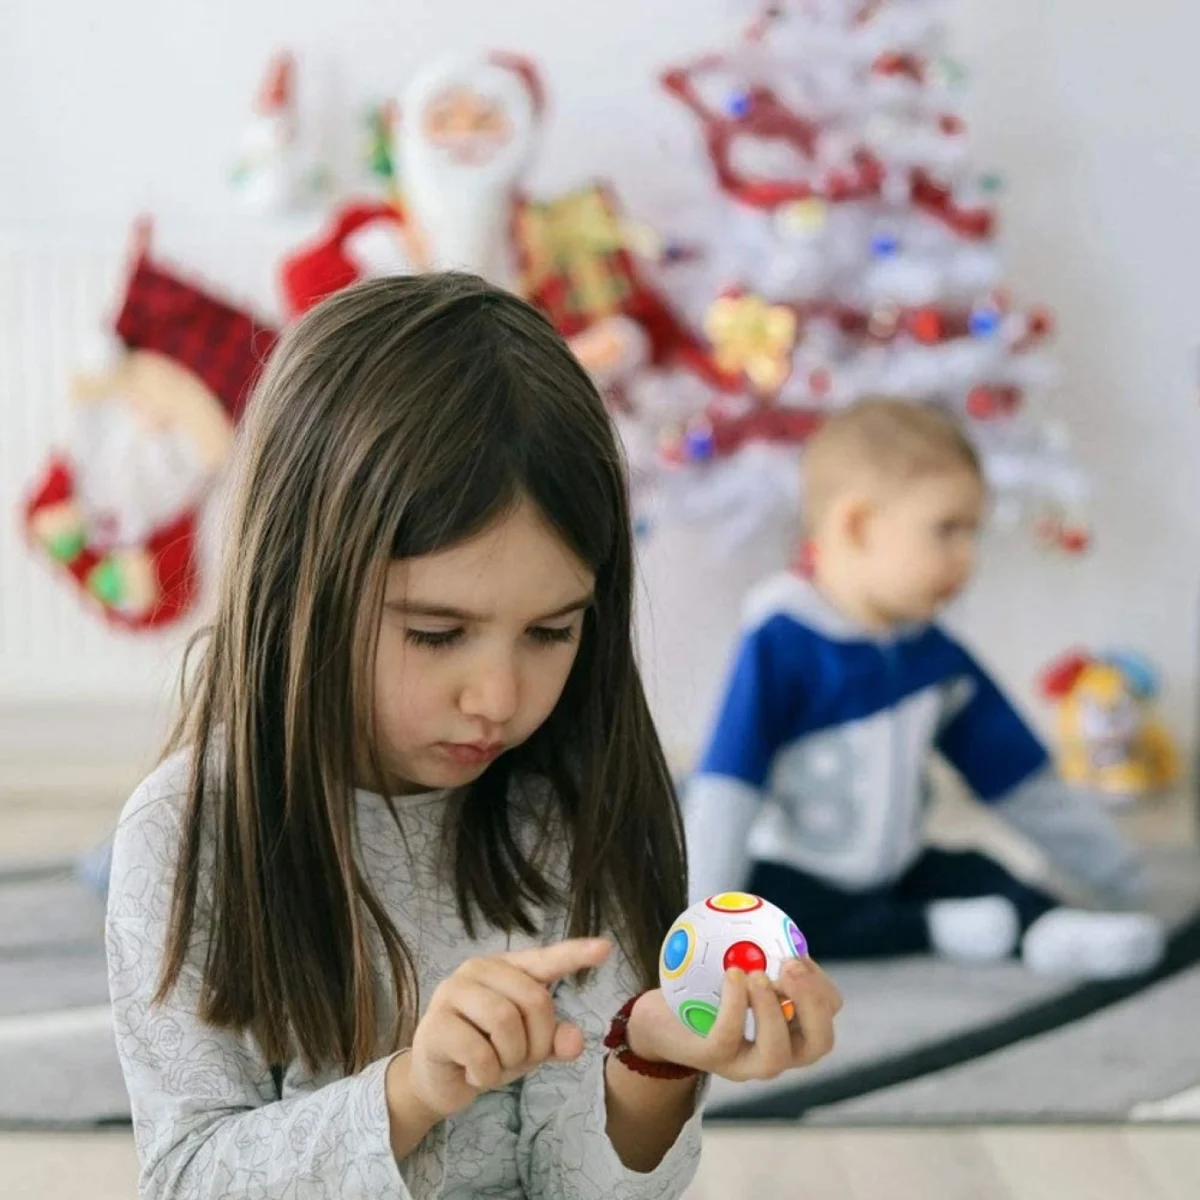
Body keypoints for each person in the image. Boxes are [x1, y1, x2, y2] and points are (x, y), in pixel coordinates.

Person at [106, 273, 842, 1200]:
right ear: (301, 586)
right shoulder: (185, 833)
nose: (498, 695)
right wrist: (413, 1091)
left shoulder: (565, 807)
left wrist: (651, 1059)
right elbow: (188, 1180)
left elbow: (576, 1185)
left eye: (551, 632)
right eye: (436, 633)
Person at [685, 398, 1166, 978]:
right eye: (948, 531)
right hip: (794, 873)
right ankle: (933, 927)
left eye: (973, 534)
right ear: (858, 525)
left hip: (901, 867)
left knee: (983, 871)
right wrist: (703, 921)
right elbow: (726, 789)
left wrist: (1123, 876)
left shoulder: (933, 656)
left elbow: (1018, 778)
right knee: (772, 925)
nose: (968, 558)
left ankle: (1045, 930)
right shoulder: (784, 641)